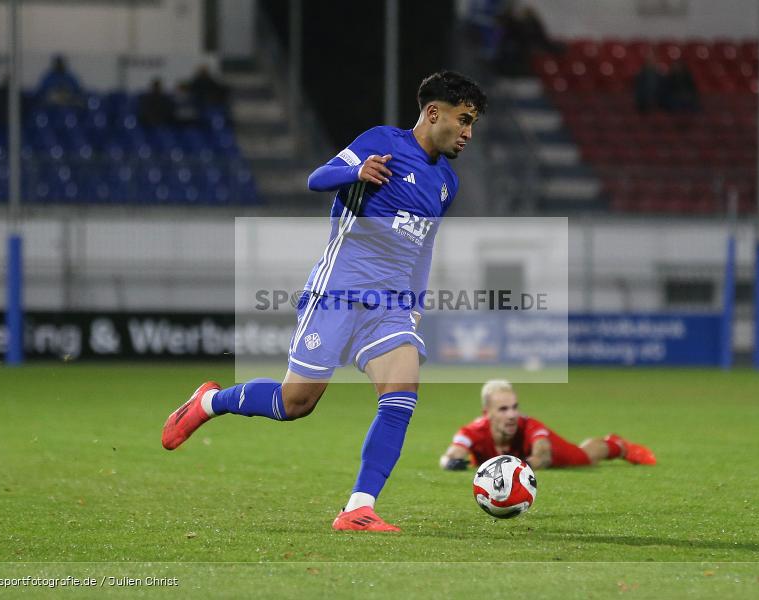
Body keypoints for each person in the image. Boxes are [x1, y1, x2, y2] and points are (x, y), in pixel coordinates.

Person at [162, 71, 487, 532]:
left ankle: (358, 507)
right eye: (464, 120)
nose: (469, 132)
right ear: (434, 113)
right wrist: (356, 171)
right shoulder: (383, 143)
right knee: (295, 402)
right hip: (338, 291)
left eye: (473, 123)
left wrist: (416, 303)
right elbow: (318, 178)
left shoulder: (446, 183)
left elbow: (424, 247)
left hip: (389, 306)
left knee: (401, 393)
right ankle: (210, 402)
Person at [439, 380, 656, 470]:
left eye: (515, 407)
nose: (512, 415)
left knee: (583, 457)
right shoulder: (472, 432)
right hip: (516, 460)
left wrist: (516, 469)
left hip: (536, 457)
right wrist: (451, 464)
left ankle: (618, 445)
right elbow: (449, 456)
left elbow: (542, 455)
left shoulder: (530, 426)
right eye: (503, 409)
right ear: (487, 413)